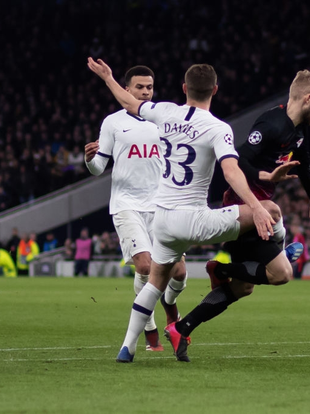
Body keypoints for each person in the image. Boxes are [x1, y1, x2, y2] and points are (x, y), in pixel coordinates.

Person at [88, 57, 278, 363]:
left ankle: (127, 347)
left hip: (162, 217)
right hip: (193, 219)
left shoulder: (163, 112)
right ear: (215, 89)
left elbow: (128, 101)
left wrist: (108, 78)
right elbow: (230, 172)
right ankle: (275, 252)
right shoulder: (218, 128)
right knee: (271, 210)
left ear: (183, 88)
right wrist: (255, 207)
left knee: (156, 281)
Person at [164, 70, 310, 361]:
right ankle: (224, 269)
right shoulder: (271, 123)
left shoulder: (299, 130)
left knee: (243, 288)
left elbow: (304, 165)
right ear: (308, 98)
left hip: (258, 210)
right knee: (282, 273)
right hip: (244, 209)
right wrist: (266, 177)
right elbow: (240, 160)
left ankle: (183, 326)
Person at [84, 65, 188, 352]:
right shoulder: (113, 123)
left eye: (149, 87)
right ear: (126, 90)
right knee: (145, 265)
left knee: (178, 272)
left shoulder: (162, 120)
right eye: (140, 87)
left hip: (161, 205)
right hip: (127, 205)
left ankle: (170, 303)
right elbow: (97, 168)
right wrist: (89, 159)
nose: (145, 92)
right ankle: (150, 325)